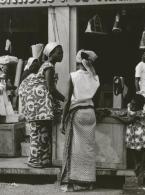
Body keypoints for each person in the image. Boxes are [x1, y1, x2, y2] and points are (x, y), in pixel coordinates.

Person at [19, 42, 65, 168]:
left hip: (37, 104)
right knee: (39, 132)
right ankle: (35, 161)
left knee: (42, 132)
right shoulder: (49, 66)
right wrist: (65, 99)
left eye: (62, 52)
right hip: (39, 104)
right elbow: (51, 89)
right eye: (59, 52)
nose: (62, 54)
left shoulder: (46, 65)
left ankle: (42, 160)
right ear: (50, 54)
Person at [60, 49, 100, 192]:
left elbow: (66, 100)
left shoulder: (73, 76)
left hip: (78, 113)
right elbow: (97, 99)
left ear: (77, 61)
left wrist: (62, 120)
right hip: (90, 113)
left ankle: (74, 182)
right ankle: (89, 182)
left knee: (75, 149)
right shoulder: (94, 77)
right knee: (88, 148)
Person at [108, 94, 145, 175]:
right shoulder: (129, 106)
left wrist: (115, 117)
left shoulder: (139, 113)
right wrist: (118, 113)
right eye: (132, 103)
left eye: (135, 105)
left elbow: (128, 121)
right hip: (132, 133)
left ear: (140, 107)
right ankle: (136, 163)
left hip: (141, 133)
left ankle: (141, 164)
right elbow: (125, 112)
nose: (132, 106)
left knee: (144, 148)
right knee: (131, 148)